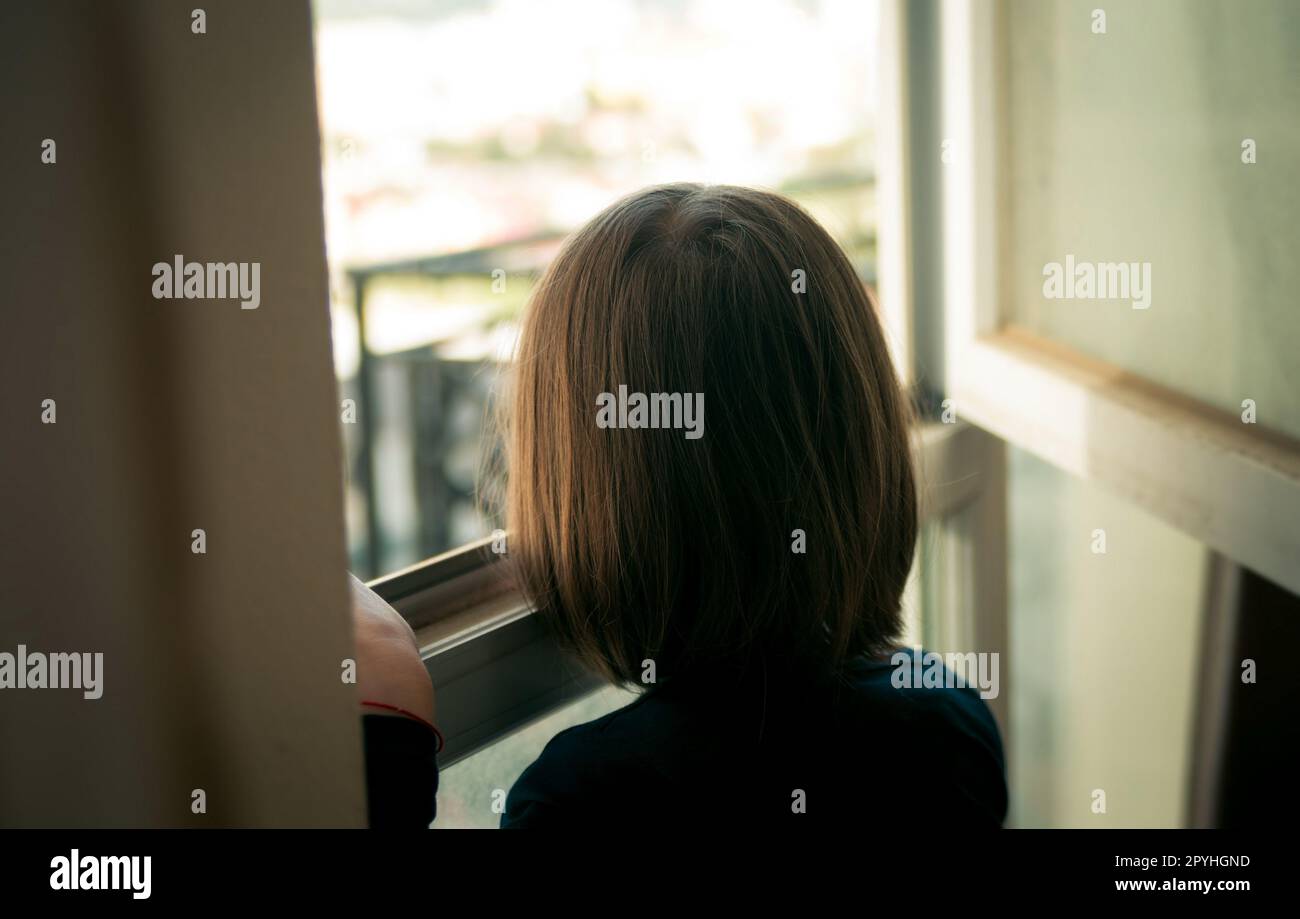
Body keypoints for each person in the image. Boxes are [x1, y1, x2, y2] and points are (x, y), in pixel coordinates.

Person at [355, 183, 1007, 828]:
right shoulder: (945, 719)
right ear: (865, 448)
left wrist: (388, 747)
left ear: (587, 493)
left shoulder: (589, 801)